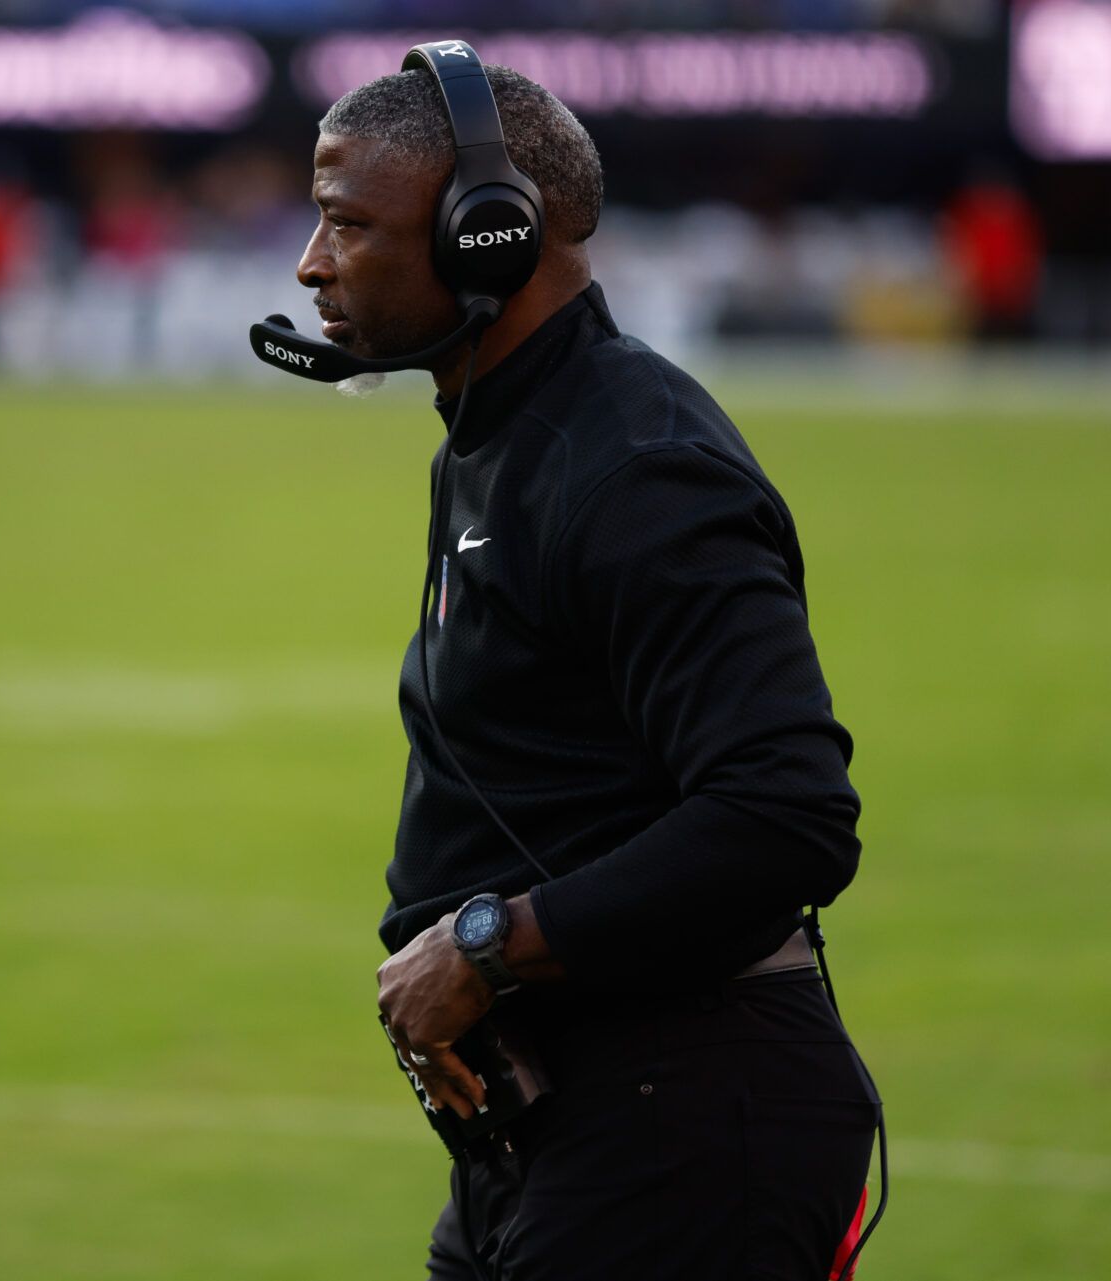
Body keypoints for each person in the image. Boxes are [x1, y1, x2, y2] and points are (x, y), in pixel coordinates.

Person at [297, 65, 880, 1279]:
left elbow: (787, 815)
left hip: (688, 1125)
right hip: (564, 1122)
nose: (311, 263)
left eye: (349, 223)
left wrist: (485, 944)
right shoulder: (503, 429)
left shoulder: (633, 468)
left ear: (487, 233)